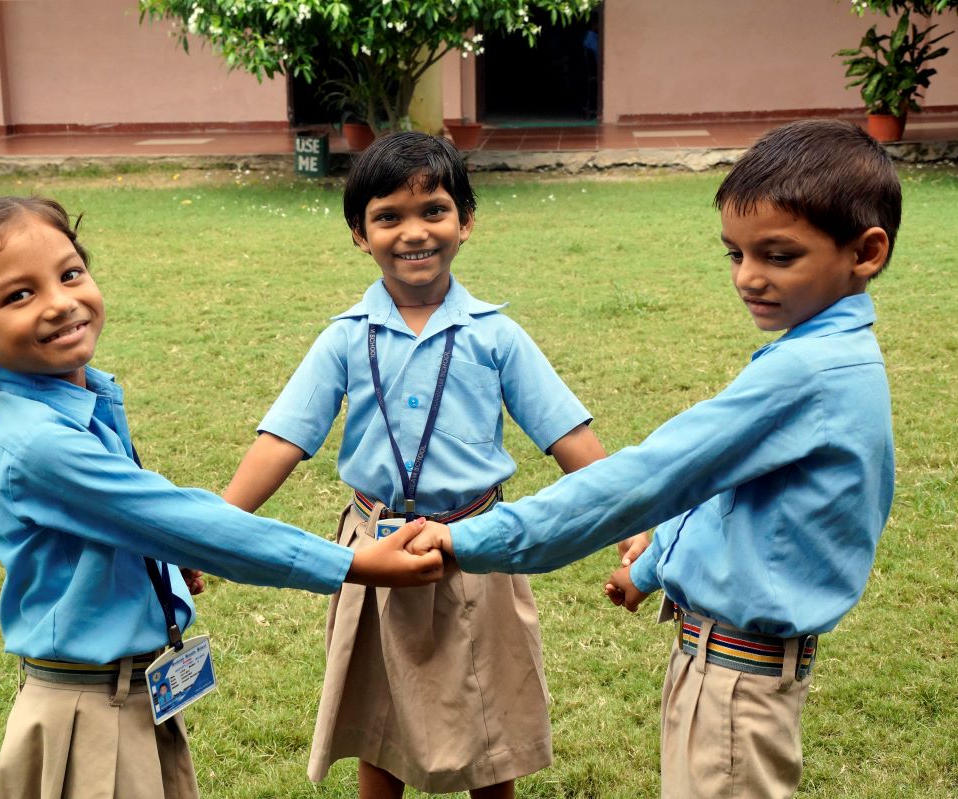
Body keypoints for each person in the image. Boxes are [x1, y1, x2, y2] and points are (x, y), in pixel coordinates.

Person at [0, 196, 444, 799]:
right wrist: (355, 565)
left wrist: (161, 573)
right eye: (19, 295)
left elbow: (122, 531)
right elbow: (177, 519)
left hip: (132, 696)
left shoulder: (78, 401)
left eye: (70, 273)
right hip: (87, 717)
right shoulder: (39, 444)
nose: (61, 302)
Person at [408, 119, 900, 798]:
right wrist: (652, 561)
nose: (748, 278)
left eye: (778, 255)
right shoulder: (825, 358)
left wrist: (471, 539)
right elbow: (726, 491)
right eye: (734, 253)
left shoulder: (808, 375)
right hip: (722, 666)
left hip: (737, 683)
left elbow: (651, 477)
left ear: (865, 252)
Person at [223, 132, 646, 799]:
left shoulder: (496, 335)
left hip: (477, 547)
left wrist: (630, 521)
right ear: (360, 233)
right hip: (373, 550)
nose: (413, 232)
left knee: (491, 726)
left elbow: (569, 435)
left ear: (466, 221)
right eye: (388, 216)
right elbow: (282, 440)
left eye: (434, 211)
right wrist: (215, 526)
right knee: (377, 718)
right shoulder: (345, 338)